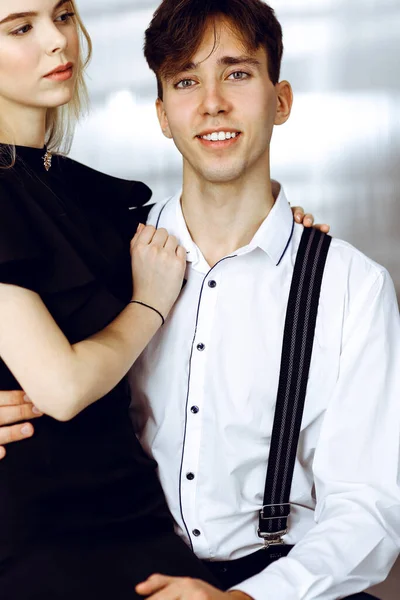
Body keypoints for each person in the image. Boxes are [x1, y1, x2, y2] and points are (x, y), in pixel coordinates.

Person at [127, 1, 399, 599]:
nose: (212, 103)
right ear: (163, 114)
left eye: (238, 73)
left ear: (281, 100)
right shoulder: (109, 257)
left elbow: (368, 508)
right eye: (186, 80)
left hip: (285, 583)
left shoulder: (353, 287)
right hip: (125, 570)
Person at [0, 0, 249, 597]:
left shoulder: (79, 190)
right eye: (20, 28)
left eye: (61, 15)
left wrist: (281, 232)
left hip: (132, 509)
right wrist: (148, 305)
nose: (58, 42)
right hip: (43, 535)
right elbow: (62, 390)